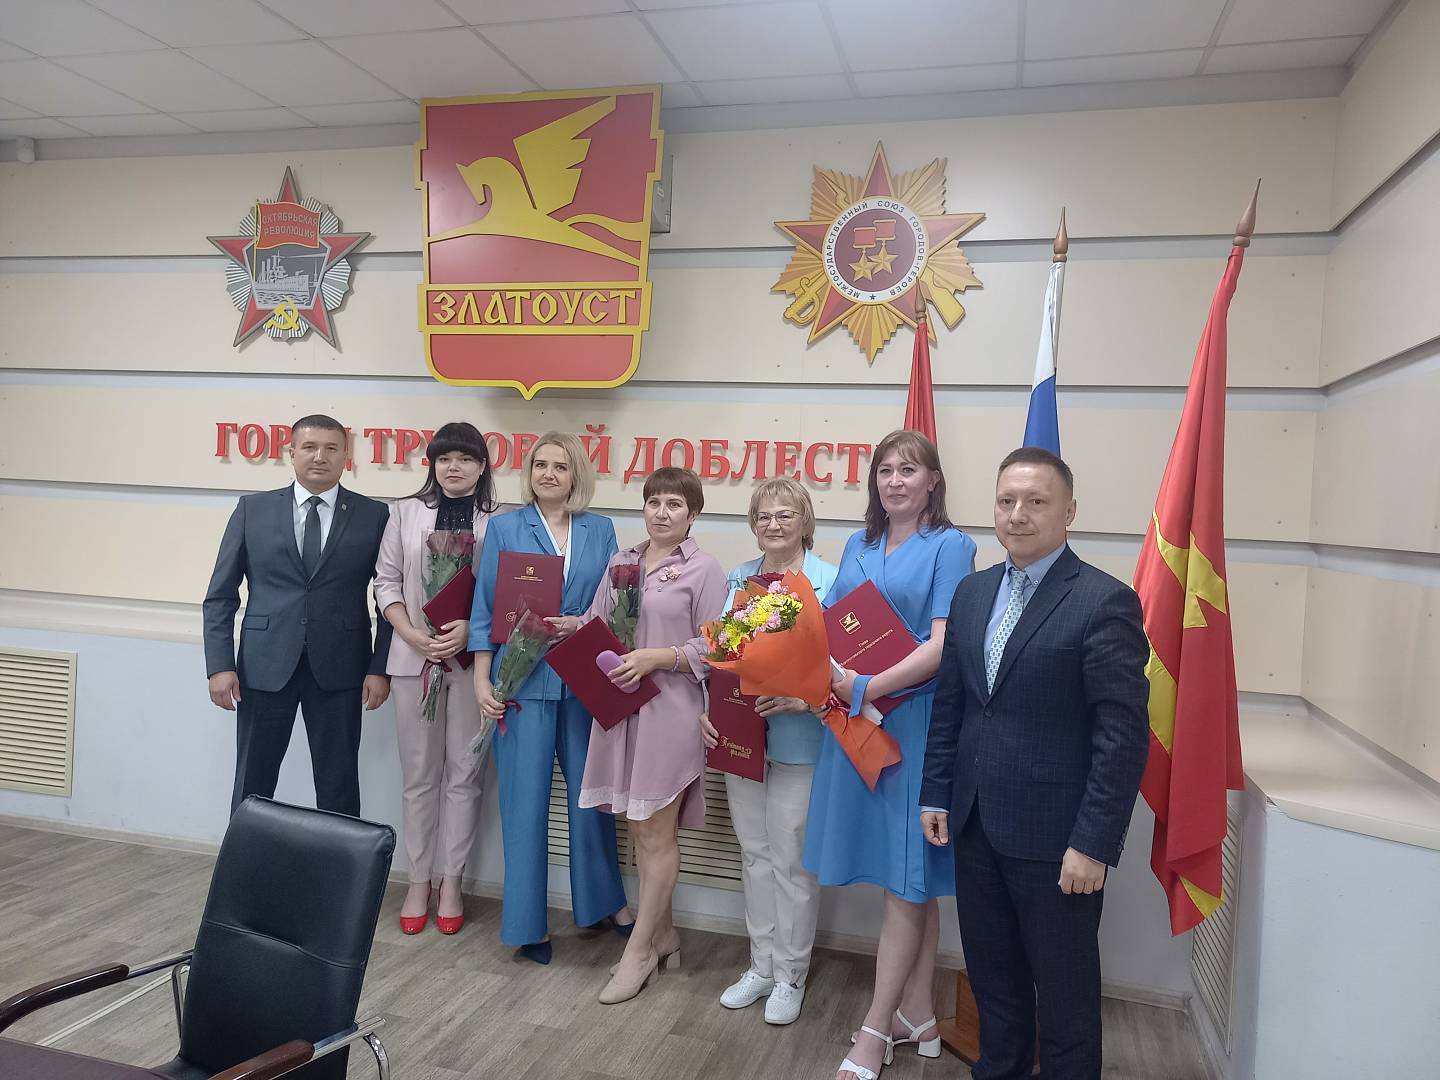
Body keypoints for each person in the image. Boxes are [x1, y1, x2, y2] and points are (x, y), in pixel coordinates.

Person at [920, 447, 1149, 1080]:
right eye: (1006, 501)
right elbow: (953, 705)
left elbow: (1122, 737)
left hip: (1057, 843)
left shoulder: (1104, 601)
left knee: (1067, 1001)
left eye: (1036, 501)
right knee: (995, 987)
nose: (1017, 514)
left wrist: (1094, 843)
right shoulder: (972, 593)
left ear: (1069, 511)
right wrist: (935, 791)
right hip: (974, 828)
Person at [803, 429, 976, 1080]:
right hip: (855, 723)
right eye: (885, 470)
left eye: (909, 469)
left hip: (915, 724)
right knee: (911, 881)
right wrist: (819, 669)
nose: (895, 480)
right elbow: (830, 625)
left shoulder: (952, 546)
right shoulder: (858, 544)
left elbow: (943, 644)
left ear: (934, 481)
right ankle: (918, 1016)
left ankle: (875, 1030)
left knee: (908, 879)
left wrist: (867, 686)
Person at [470, 431, 633, 963]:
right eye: (540, 464)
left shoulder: (599, 529)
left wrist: (579, 622)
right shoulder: (505, 528)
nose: (548, 474)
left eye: (560, 466)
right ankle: (526, 926)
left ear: (575, 475)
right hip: (520, 682)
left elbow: (613, 605)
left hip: (583, 680)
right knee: (524, 804)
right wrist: (481, 680)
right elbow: (484, 608)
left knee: (592, 799)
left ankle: (603, 904)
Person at [572, 467, 728, 1004]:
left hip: (670, 714)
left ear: (693, 513)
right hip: (621, 710)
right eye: (654, 502)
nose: (662, 512)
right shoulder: (622, 561)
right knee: (640, 832)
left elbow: (717, 646)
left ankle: (638, 952)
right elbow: (595, 624)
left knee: (657, 833)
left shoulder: (705, 569)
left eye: (674, 504)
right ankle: (664, 936)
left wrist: (658, 657)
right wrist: (551, 628)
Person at [203, 413, 392, 817]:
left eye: (331, 448)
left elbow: (390, 599)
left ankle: (338, 861)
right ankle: (247, 859)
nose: (320, 456)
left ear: (346, 456)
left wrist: (380, 668)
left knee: (339, 785)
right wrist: (219, 666)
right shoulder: (253, 510)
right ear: (291, 453)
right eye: (309, 447)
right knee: (253, 781)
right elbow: (220, 596)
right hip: (264, 666)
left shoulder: (373, 515)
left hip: (342, 669)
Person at [702, 478, 838, 1026]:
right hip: (743, 740)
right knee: (754, 855)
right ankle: (760, 966)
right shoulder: (739, 578)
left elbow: (848, 667)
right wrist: (709, 713)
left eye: (785, 515)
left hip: (803, 742)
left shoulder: (831, 580)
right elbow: (720, 657)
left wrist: (807, 698)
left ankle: (790, 975)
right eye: (763, 516)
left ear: (805, 521)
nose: (773, 524)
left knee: (792, 863)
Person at [374, 422, 496, 936]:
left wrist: (470, 628)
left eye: (464, 458)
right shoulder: (404, 512)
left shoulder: (499, 521)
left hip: (471, 663)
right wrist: (411, 634)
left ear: (482, 466)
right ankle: (418, 880)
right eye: (444, 458)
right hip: (413, 660)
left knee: (464, 776)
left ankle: (451, 882)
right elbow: (386, 581)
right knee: (419, 777)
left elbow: (502, 590)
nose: (453, 467)